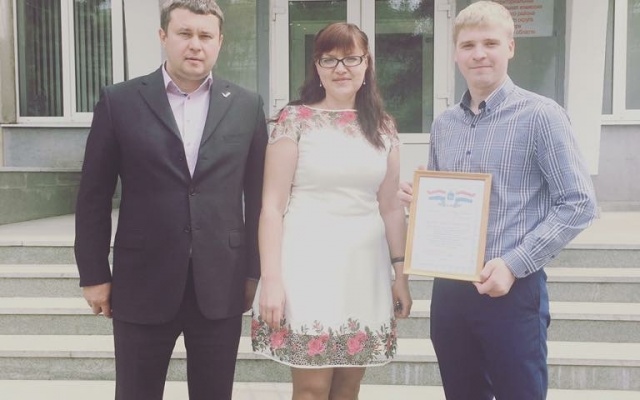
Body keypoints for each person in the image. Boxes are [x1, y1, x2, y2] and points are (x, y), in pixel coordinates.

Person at [398, 2, 598, 399]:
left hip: (513, 288)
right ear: (456, 54)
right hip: (451, 290)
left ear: (510, 47)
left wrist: (513, 264)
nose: (479, 54)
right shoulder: (445, 125)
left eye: (490, 43)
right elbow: (450, 206)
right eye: (468, 45)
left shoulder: (541, 116)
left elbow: (578, 203)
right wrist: (422, 206)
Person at [74, 0, 267, 398]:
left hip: (221, 282)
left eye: (205, 35)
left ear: (219, 42)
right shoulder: (119, 101)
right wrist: (93, 273)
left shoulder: (247, 105)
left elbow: (259, 196)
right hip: (142, 279)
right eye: (184, 33)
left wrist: (254, 271)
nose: (195, 44)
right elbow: (93, 194)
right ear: (163, 36)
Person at [250, 22, 412, 400]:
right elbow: (271, 207)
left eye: (351, 58)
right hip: (307, 266)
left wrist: (401, 274)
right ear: (317, 67)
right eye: (330, 59)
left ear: (366, 64)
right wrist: (270, 279)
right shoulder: (294, 121)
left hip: (365, 268)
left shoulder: (383, 127)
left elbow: (390, 207)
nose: (341, 68)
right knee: (311, 387)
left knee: (348, 387)